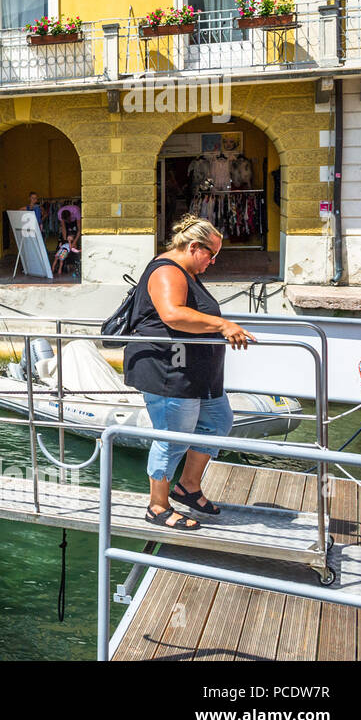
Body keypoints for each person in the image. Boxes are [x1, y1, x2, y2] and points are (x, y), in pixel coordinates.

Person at [125, 215, 256, 530]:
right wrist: (222, 325)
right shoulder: (168, 270)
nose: (213, 262)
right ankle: (157, 506)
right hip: (170, 371)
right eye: (211, 255)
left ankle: (188, 487)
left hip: (198, 374)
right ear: (195, 247)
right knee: (172, 439)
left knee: (218, 421)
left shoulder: (188, 271)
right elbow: (173, 315)